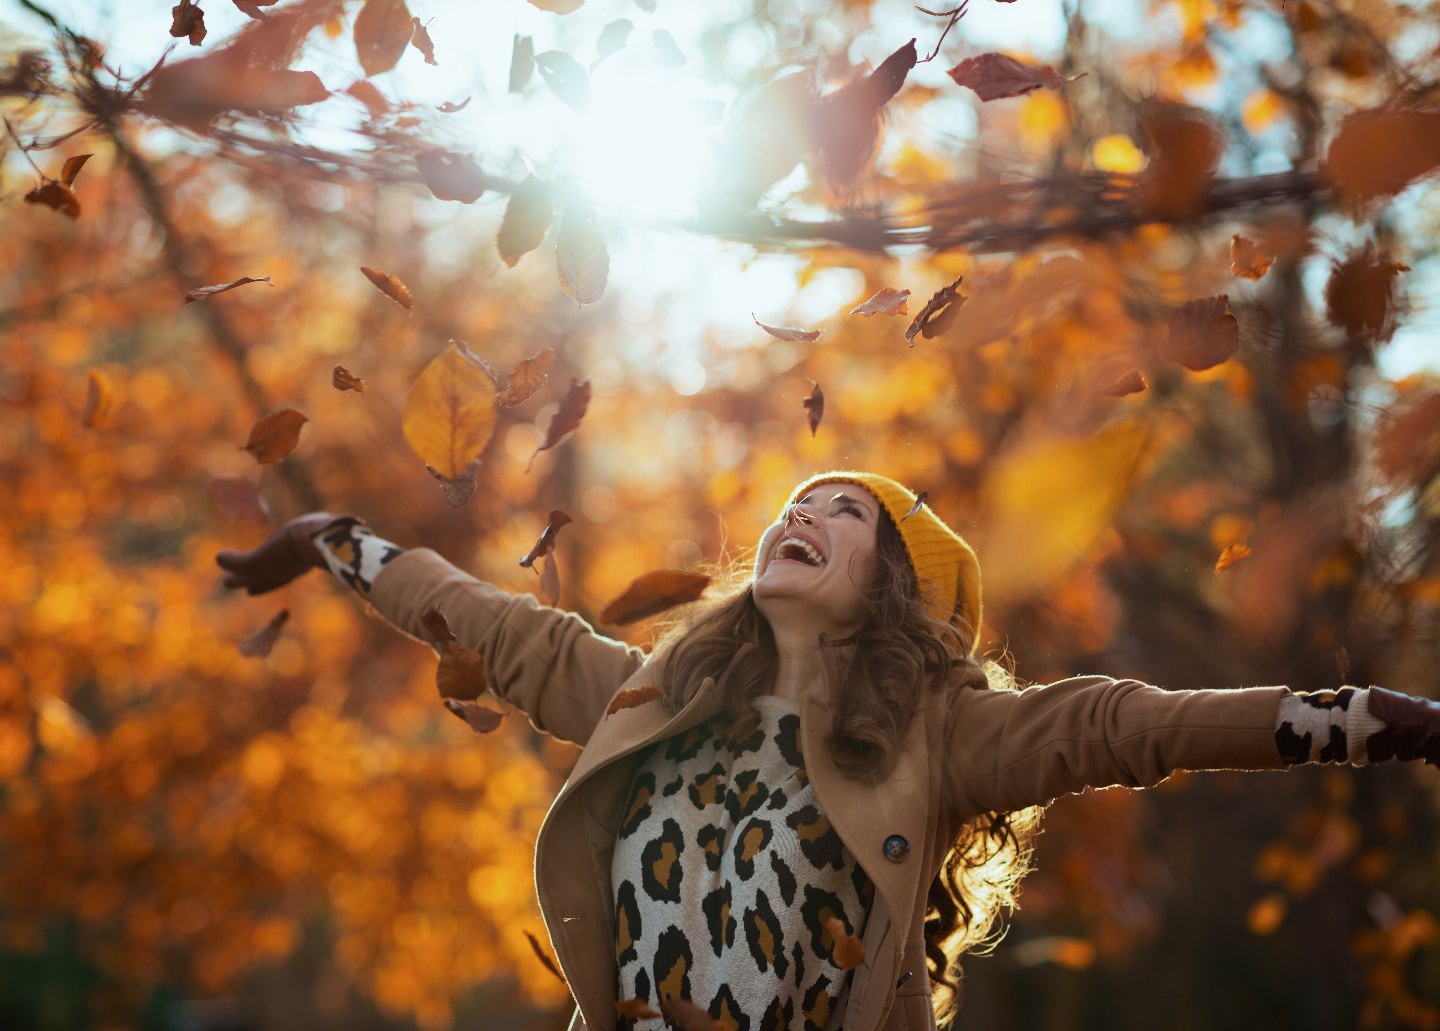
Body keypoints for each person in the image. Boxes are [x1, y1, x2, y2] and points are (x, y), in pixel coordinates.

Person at [216, 470, 1440, 1031]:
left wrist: (1354, 721)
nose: (796, 514)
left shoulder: (943, 738)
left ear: (899, 586)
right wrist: (339, 540)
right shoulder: (654, 698)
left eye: (841, 511)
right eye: (795, 504)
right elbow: (492, 623)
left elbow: (1126, 724)